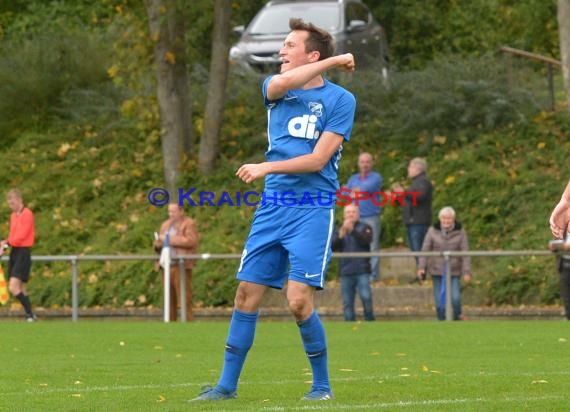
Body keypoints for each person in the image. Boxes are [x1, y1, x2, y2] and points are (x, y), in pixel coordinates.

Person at [192, 18, 356, 402]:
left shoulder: (341, 101)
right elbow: (284, 83)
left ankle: (321, 386)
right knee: (246, 294)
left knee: (298, 301)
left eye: (289, 45)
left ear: (311, 54)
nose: (281, 51)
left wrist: (266, 167)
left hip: (312, 209)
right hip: (273, 207)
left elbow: (317, 160)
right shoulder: (275, 88)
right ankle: (226, 387)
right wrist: (335, 62)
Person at [417, 207, 471, 321]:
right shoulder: (432, 231)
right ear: (440, 219)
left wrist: (467, 271)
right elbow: (425, 249)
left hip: (454, 269)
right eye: (444, 218)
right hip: (437, 270)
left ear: (453, 219)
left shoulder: (460, 232)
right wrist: (421, 267)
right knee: (439, 301)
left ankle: (457, 317)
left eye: (449, 218)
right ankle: (441, 320)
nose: (446, 221)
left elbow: (465, 252)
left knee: (455, 298)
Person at [153, 203, 199, 321]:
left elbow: (191, 241)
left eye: (173, 211)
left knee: (184, 297)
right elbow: (159, 244)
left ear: (181, 211)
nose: (171, 214)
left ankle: (188, 322)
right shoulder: (165, 225)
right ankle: (170, 323)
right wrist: (158, 243)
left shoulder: (189, 223)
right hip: (166, 265)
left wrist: (168, 239)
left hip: (181, 265)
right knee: (168, 298)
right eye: (169, 212)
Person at [332, 205, 375, 321]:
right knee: (347, 303)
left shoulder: (366, 227)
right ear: (344, 215)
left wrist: (352, 231)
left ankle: (370, 322)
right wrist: (340, 235)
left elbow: (367, 241)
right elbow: (331, 247)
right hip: (346, 271)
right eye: (348, 212)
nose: (351, 214)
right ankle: (349, 325)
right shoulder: (339, 229)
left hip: (362, 270)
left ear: (358, 214)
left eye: (353, 212)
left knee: (366, 297)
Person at [345, 152, 383, 280]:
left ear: (371, 163)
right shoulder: (353, 178)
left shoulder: (376, 177)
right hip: (354, 219)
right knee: (354, 246)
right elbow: (346, 194)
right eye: (362, 162)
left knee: (373, 246)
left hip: (371, 217)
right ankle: (357, 273)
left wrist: (354, 191)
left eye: (367, 162)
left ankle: (373, 275)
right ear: (358, 164)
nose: (365, 164)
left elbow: (363, 190)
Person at [0, 189, 36, 322]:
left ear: (20, 200)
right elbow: (13, 234)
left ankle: (30, 314)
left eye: (13, 202)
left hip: (23, 251)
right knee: (21, 287)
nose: (11, 205)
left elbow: (22, 235)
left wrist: (7, 243)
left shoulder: (27, 214)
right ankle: (30, 315)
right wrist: (5, 242)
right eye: (9, 203)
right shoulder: (13, 216)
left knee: (13, 287)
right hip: (15, 251)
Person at [392, 157, 433, 266]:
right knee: (415, 250)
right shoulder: (415, 183)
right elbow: (409, 201)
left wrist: (403, 193)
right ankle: (421, 273)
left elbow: (420, 196)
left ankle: (424, 273)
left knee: (419, 250)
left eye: (410, 167)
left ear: (417, 168)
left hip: (419, 221)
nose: (408, 169)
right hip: (412, 222)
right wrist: (397, 197)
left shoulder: (423, 181)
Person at [548, 232, 570, 321]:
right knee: (566, 295)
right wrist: (553, 246)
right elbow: (553, 244)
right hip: (564, 266)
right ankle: (568, 317)